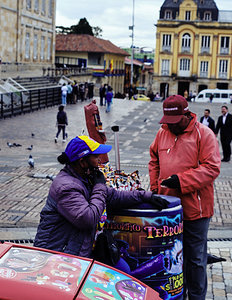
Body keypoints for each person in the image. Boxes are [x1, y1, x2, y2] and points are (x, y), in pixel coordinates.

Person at [34, 136, 169, 259]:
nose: (99, 161)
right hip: (56, 257)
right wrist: (99, 187)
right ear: (82, 162)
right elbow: (88, 218)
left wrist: (146, 196)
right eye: (96, 157)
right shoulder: (66, 187)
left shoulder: (85, 178)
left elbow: (114, 196)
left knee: (124, 268)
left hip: (75, 251)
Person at [148, 95, 221, 300]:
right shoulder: (162, 133)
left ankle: (196, 297)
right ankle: (177, 295)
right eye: (167, 122)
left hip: (196, 211)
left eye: (175, 121)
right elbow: (154, 160)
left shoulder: (204, 134)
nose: (170, 126)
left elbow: (211, 168)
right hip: (168, 211)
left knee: (195, 259)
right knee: (172, 257)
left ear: (186, 114)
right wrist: (155, 187)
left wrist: (180, 181)